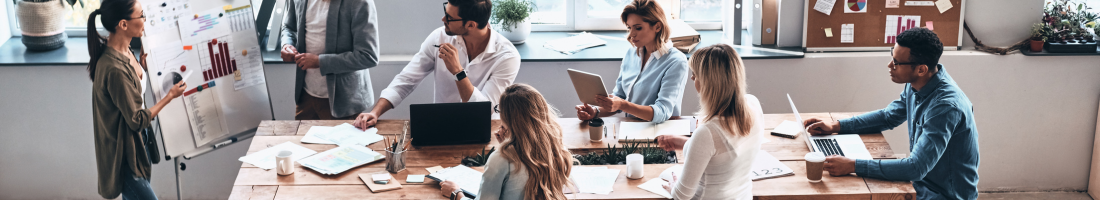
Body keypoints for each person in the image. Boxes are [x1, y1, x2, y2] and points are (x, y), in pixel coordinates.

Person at [802, 28, 979, 200]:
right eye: (892, 57)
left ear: (921, 69)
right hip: (920, 184)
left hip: (943, 194)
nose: (890, 65)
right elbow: (888, 116)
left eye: (896, 62)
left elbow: (916, 167)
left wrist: (853, 165)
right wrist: (836, 126)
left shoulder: (945, 107)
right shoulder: (918, 83)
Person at [352, 0, 520, 129]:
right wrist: (375, 112)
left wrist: (458, 72)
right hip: (440, 124)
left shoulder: (507, 57)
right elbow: (407, 79)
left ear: (470, 25)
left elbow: (483, 110)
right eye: (445, 11)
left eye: (449, 17)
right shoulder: (439, 37)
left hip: (483, 129)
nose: (442, 19)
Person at [88, 0, 186, 199]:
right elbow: (136, 119)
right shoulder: (114, 68)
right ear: (123, 24)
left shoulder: (126, 51)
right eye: (141, 16)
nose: (145, 20)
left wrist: (142, 69)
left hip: (140, 145)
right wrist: (170, 96)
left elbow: (134, 92)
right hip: (125, 156)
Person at [654, 44, 764, 200]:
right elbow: (721, 155)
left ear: (709, 83)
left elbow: (682, 196)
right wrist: (685, 143)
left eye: (695, 75)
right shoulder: (753, 104)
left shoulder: (708, 132)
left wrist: (674, 186)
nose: (692, 78)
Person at [438, 84, 574, 200]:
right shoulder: (557, 149)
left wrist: (456, 193)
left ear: (508, 118)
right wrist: (507, 143)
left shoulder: (501, 159)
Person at [574, 0, 689, 124]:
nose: (632, 34)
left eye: (638, 28)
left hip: (660, 134)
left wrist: (622, 105)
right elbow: (620, 97)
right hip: (631, 129)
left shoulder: (676, 62)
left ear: (657, 27)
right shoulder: (631, 53)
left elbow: (662, 111)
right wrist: (595, 111)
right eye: (629, 28)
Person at [280, 0, 380, 120]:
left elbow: (368, 56)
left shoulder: (359, 2)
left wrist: (320, 62)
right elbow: (288, 27)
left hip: (343, 102)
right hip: (305, 97)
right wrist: (287, 44)